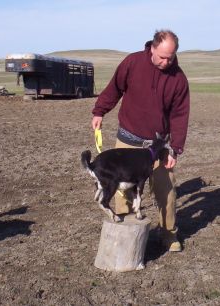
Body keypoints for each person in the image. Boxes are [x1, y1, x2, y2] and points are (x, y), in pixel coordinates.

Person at [91, 29, 190, 252]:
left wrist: (175, 149)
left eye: (171, 57)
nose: (166, 62)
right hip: (128, 141)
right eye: (162, 56)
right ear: (152, 48)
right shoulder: (132, 63)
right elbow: (114, 88)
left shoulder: (179, 79)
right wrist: (99, 111)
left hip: (157, 147)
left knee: (166, 189)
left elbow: (180, 116)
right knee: (121, 190)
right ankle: (125, 235)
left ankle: (168, 234)